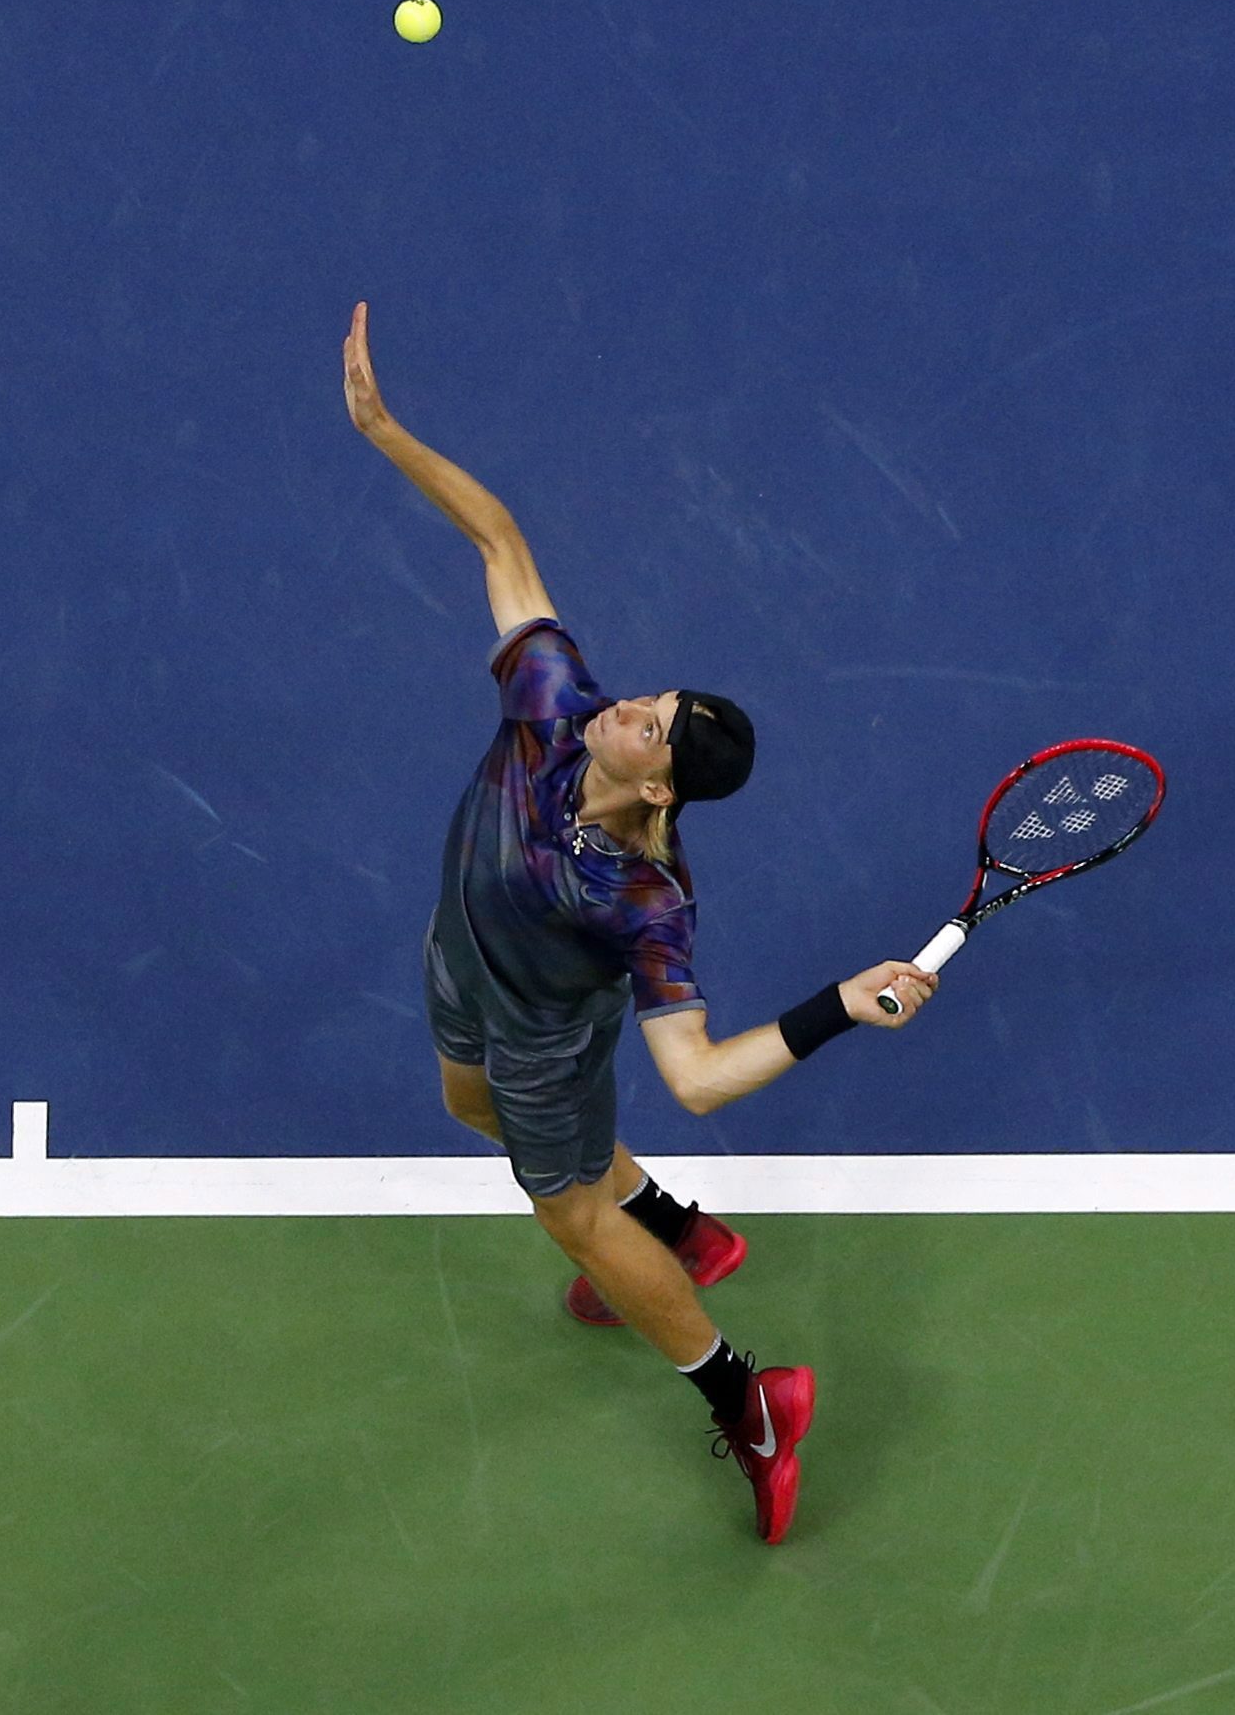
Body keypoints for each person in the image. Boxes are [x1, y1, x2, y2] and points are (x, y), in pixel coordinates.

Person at [341, 301, 938, 1545]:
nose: (631, 708)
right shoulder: (558, 704)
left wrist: (843, 1003)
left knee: (565, 1204)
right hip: (463, 959)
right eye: (651, 697)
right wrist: (387, 431)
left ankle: (750, 1397)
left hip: (550, 1034)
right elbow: (501, 541)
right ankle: (683, 1229)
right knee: (464, 1103)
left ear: (660, 784)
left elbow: (702, 1078)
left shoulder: (645, 902)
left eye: (652, 725)